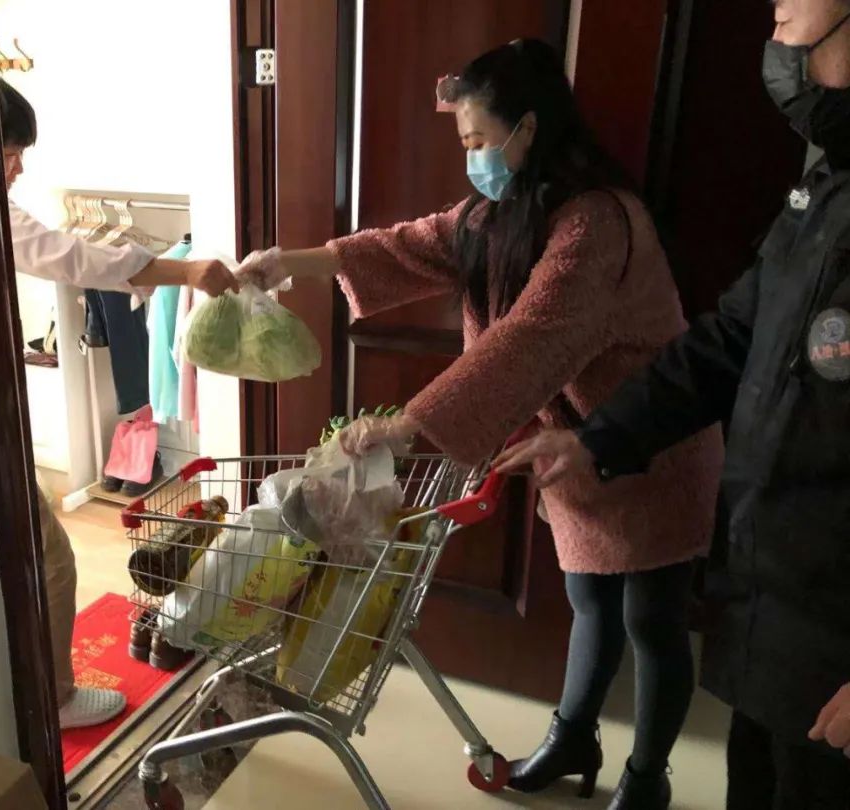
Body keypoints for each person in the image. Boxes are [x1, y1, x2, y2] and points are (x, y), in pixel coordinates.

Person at [236, 39, 722, 808]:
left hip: (647, 447)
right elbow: (410, 244)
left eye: (478, 141)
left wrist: (406, 425)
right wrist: (291, 262)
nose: (471, 160)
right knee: (590, 601)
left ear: (527, 128)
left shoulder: (598, 221)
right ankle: (573, 738)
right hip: (572, 449)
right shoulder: (499, 211)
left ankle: (647, 779)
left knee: (652, 619)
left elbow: (530, 339)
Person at [493, 3, 850, 807]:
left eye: (794, 8)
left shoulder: (602, 217)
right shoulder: (825, 188)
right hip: (778, 613)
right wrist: (595, 441)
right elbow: (725, 341)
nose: (776, 25)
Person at [0, 78, 237, 729]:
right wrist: (185, 271)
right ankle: (54, 700)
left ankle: (18, 694)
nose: (18, 169)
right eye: (11, 152)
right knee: (50, 561)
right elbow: (75, 257)